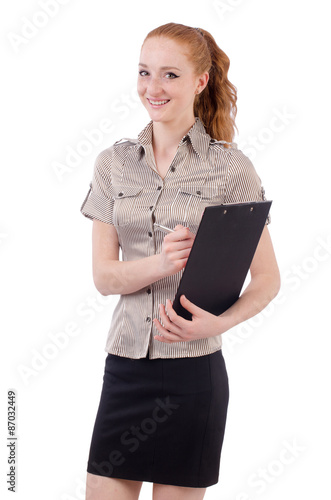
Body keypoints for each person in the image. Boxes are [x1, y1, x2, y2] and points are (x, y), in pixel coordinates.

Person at [80, 22, 280, 500]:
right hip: (125, 367)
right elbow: (105, 278)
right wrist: (161, 264)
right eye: (145, 72)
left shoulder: (231, 168)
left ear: (200, 80)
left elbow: (268, 279)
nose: (153, 88)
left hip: (194, 373)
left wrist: (217, 324)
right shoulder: (114, 162)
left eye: (170, 75)